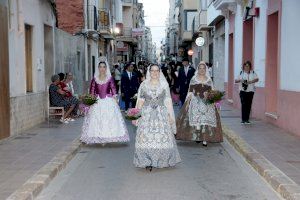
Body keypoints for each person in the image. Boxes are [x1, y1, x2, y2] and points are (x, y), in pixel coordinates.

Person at [133, 64, 181, 171]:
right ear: (149, 72)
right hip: (146, 114)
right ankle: (147, 161)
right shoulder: (143, 85)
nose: (154, 73)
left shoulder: (164, 85)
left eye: (157, 71)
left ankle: (161, 160)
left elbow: (168, 102)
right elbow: (140, 101)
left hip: (161, 114)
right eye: (152, 71)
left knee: (161, 137)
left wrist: (170, 116)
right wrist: (136, 116)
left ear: (160, 72)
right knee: (146, 137)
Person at [80, 57, 130, 144]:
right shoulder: (94, 79)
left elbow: (114, 90)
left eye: (104, 67)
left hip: (108, 100)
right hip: (97, 101)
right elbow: (92, 92)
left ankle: (108, 136)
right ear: (98, 68)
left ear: (106, 68)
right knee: (96, 119)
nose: (102, 68)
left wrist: (116, 102)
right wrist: (89, 103)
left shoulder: (109, 78)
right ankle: (98, 136)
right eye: (100, 67)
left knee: (109, 119)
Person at [176, 62, 223, 146]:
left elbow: (212, 91)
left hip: (207, 103)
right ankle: (198, 136)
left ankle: (204, 139)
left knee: (205, 121)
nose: (202, 70)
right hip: (195, 102)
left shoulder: (209, 79)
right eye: (200, 68)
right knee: (197, 121)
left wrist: (217, 104)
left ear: (206, 70)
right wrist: (187, 102)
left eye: (203, 68)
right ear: (198, 69)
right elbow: (190, 91)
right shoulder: (194, 79)